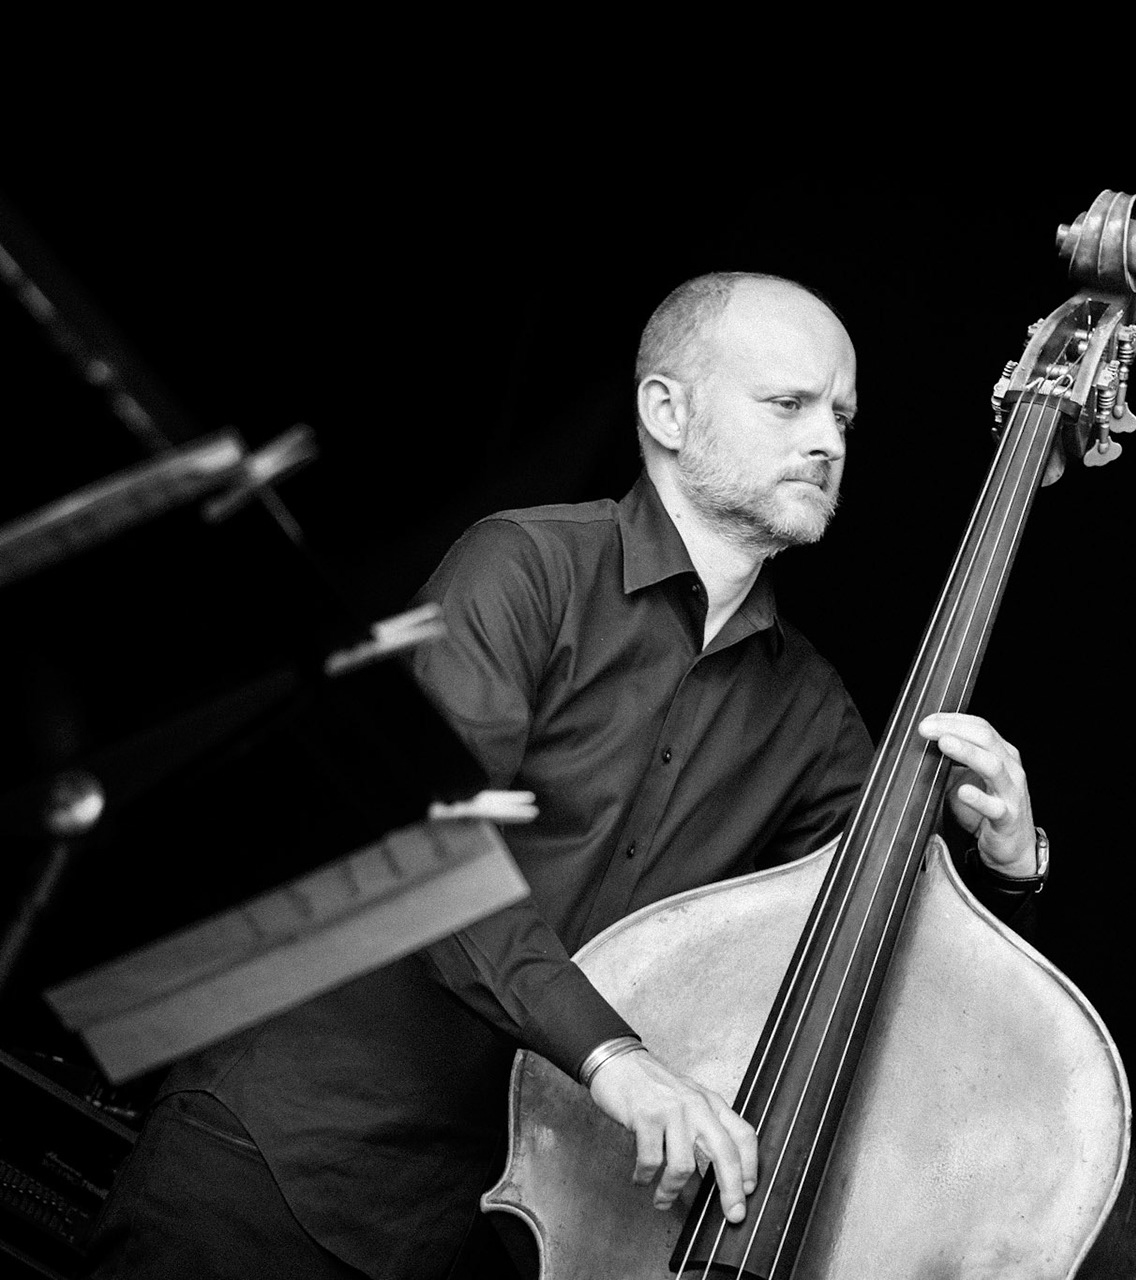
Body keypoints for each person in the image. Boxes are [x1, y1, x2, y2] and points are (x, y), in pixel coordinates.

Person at [85, 273, 1050, 1279]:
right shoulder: (524, 566)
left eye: (842, 415)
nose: (827, 440)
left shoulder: (811, 713)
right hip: (277, 1159)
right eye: (787, 404)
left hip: (482, 1226)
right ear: (666, 410)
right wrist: (619, 1059)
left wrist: (1009, 860)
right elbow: (432, 860)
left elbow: (895, 955)